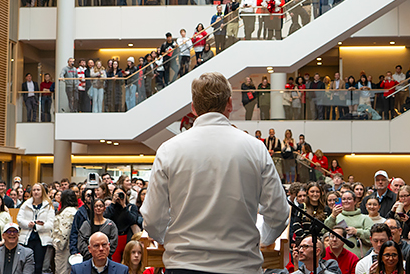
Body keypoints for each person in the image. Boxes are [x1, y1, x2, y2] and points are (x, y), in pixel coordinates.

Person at [142, 72, 289, 273]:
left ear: (193, 108)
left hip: (184, 265)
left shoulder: (169, 150)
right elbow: (278, 213)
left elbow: (152, 219)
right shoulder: (255, 148)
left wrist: (173, 241)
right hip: (241, 265)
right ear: (229, 104)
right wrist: (262, 240)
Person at [17, 183, 55, 274]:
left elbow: (50, 224)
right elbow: (19, 219)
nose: (36, 192)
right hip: (27, 238)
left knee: (39, 266)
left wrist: (36, 226)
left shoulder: (48, 205)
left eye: (38, 190)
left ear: (42, 192)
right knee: (27, 265)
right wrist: (28, 224)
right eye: (34, 190)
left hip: (41, 240)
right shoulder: (25, 204)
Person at [325, 190, 373, 258]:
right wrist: (333, 216)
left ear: (355, 201)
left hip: (360, 258)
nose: (346, 201)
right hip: (338, 257)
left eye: (349, 199)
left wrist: (357, 231)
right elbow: (325, 231)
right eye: (344, 199)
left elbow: (372, 236)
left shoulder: (365, 218)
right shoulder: (336, 216)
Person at [51, 190, 79, 274]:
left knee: (62, 271)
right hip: (71, 247)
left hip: (64, 249)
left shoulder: (67, 213)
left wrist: (57, 245)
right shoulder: (75, 211)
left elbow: (64, 233)